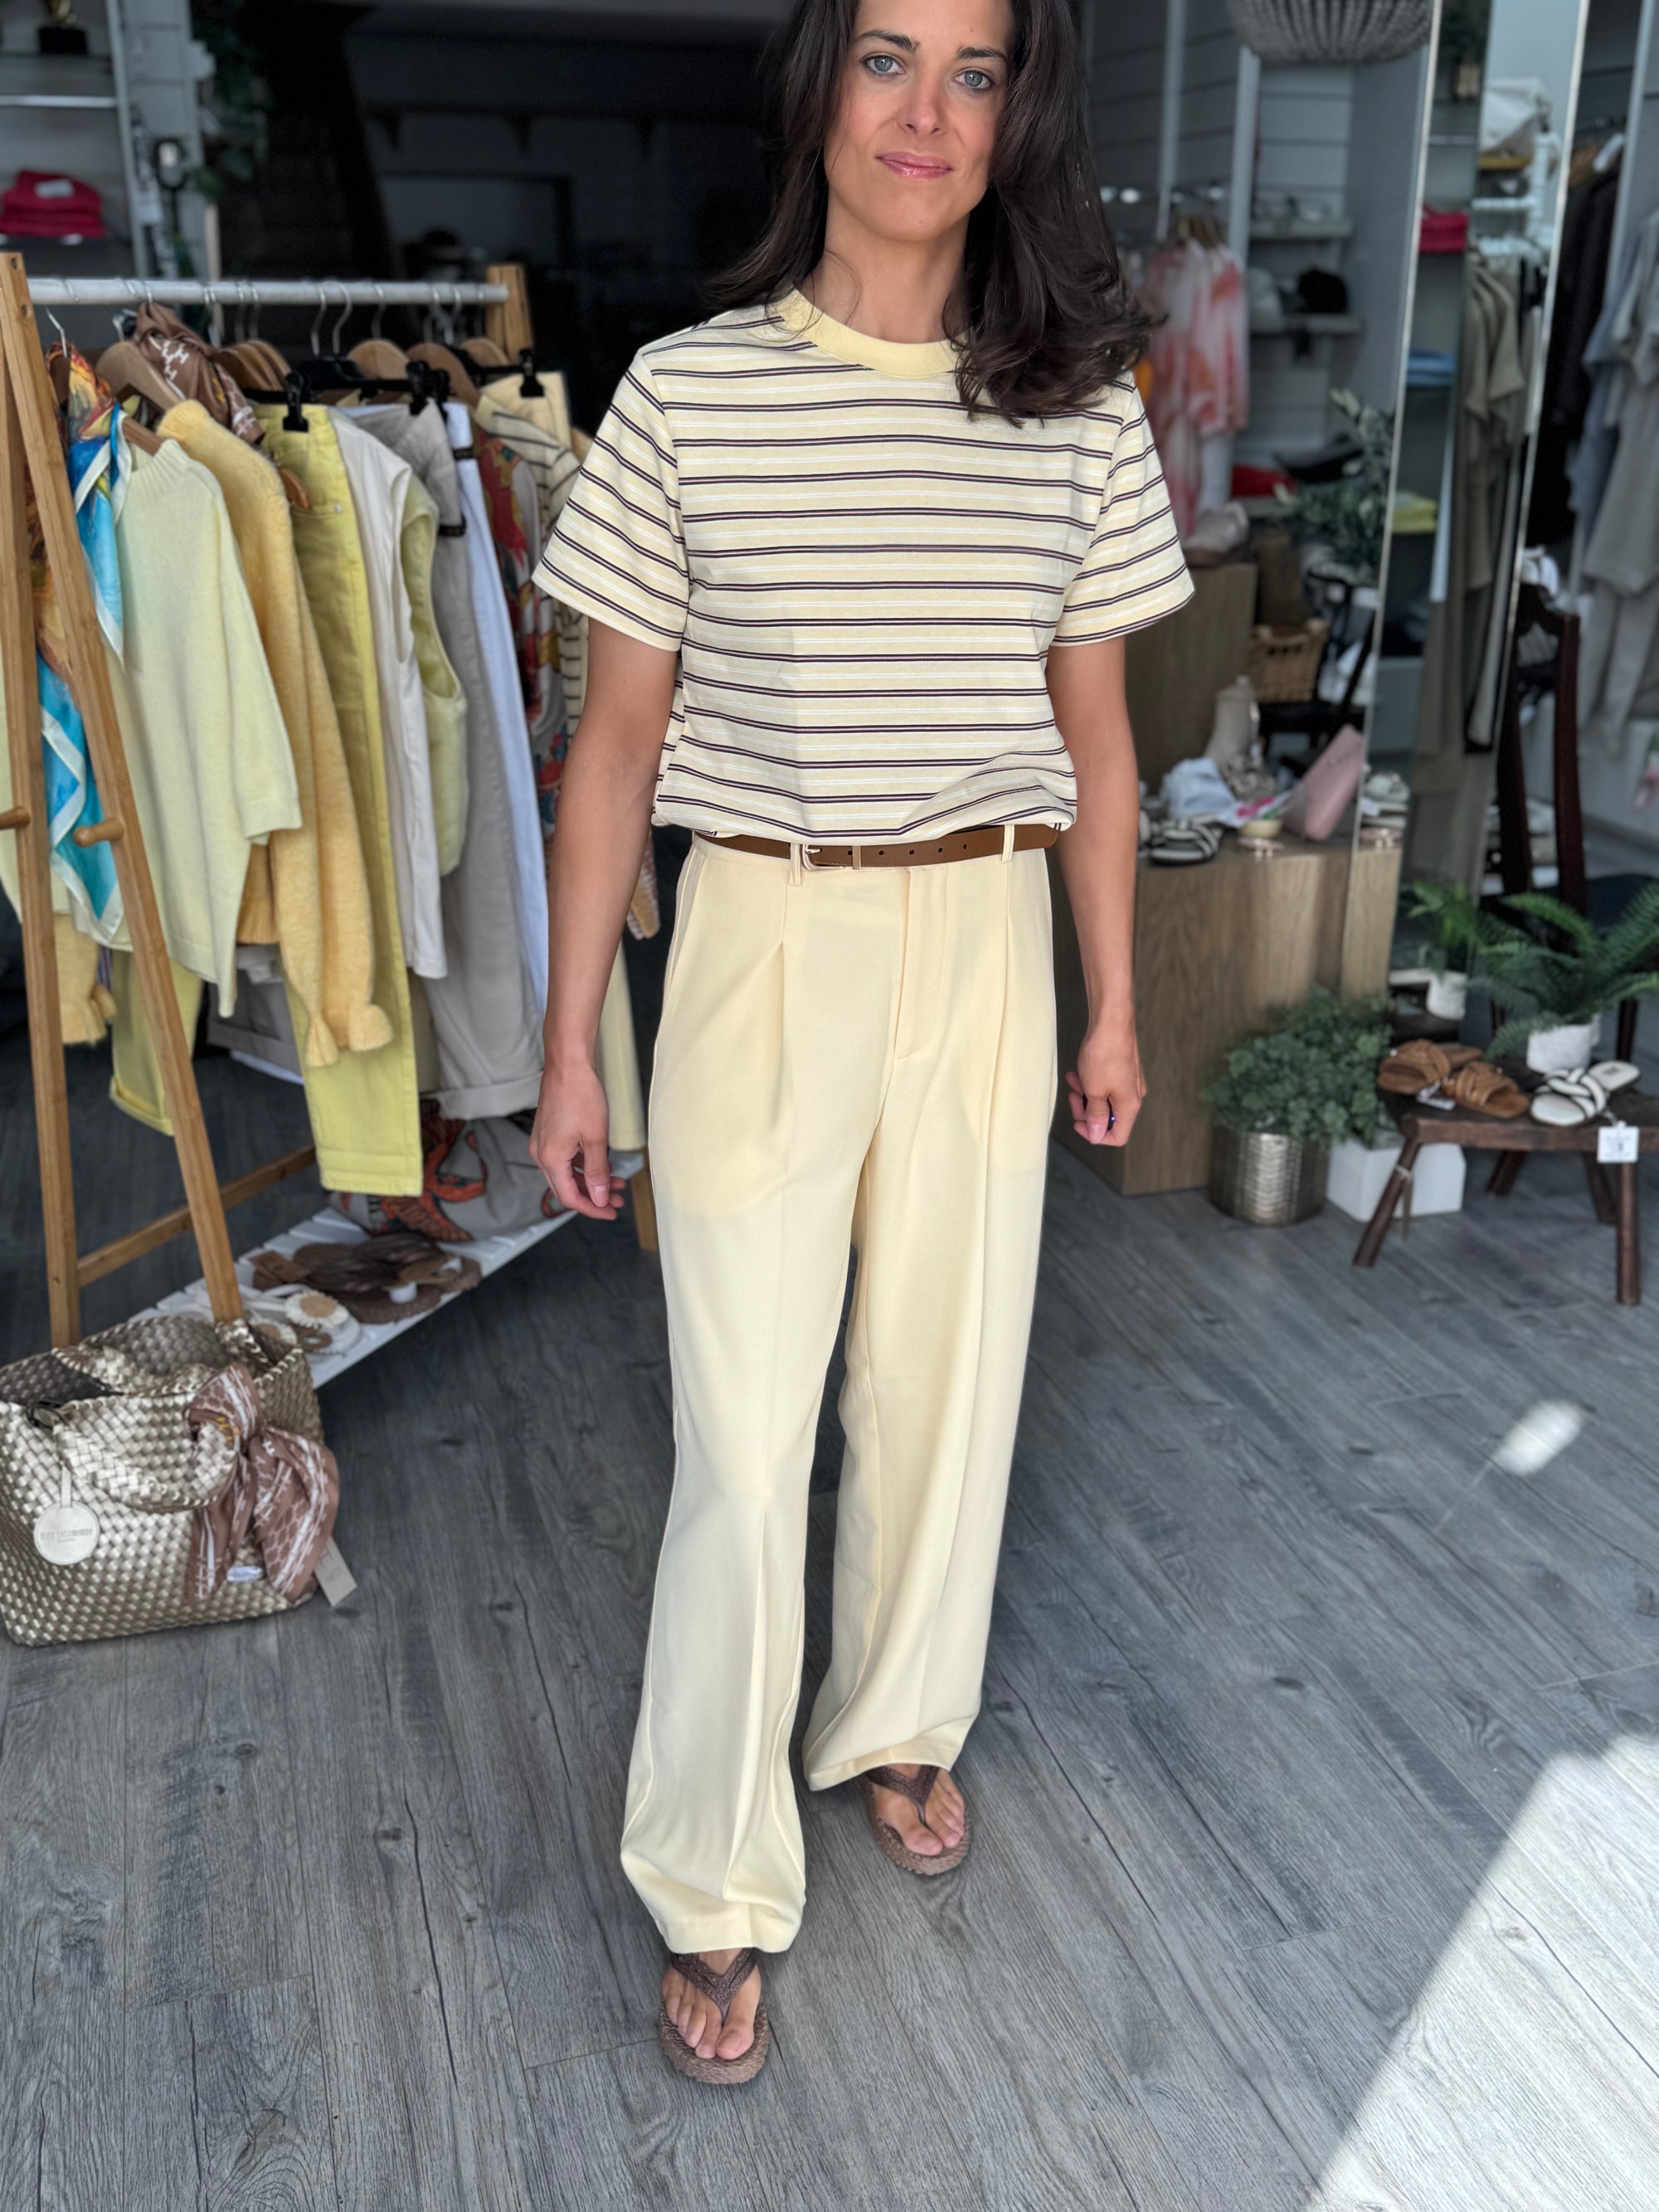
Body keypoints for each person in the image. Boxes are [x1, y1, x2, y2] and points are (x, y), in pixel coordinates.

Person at [530, 0, 1192, 2085]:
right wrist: (571, 1043)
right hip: (764, 924)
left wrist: (1111, 995)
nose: (925, 111)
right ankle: (713, 1867)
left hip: (986, 929)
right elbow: (613, 744)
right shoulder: (687, 395)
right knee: (741, 1436)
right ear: (820, 88)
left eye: (972, 72)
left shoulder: (1075, 411)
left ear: (1015, 117)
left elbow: (1101, 744)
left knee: (946, 1380)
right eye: (887, 57)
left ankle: (898, 1711)